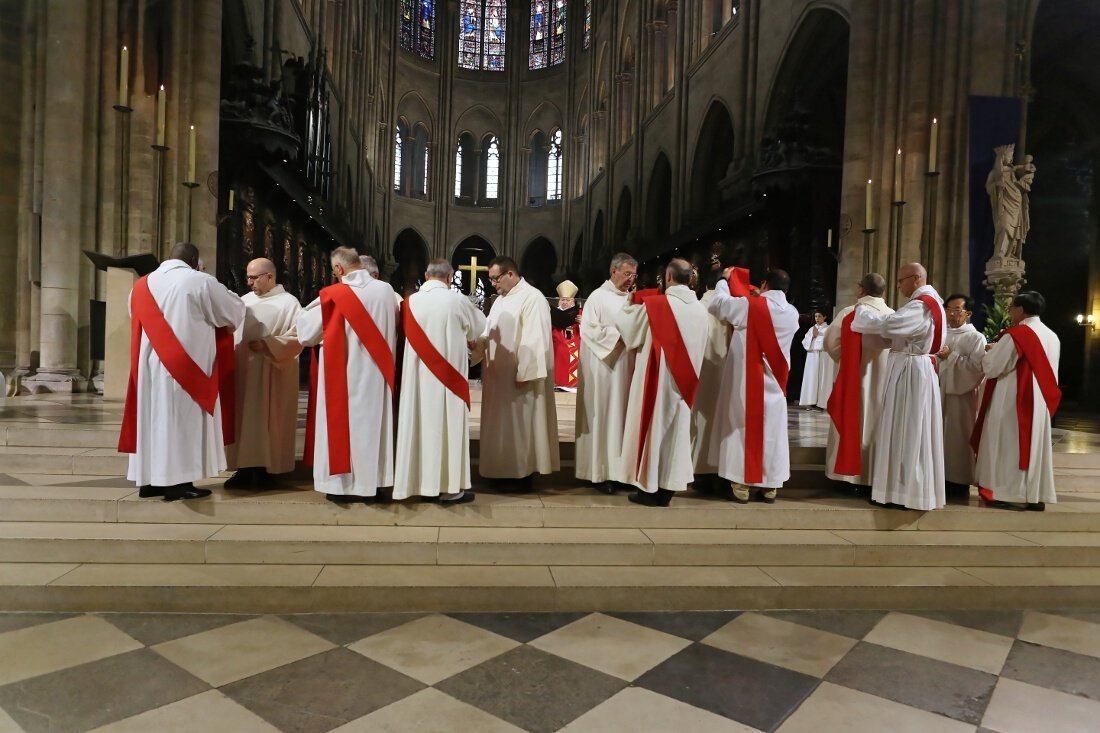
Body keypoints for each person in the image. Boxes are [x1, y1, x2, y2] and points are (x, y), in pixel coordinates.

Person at [119, 242, 245, 501]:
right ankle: (177, 483)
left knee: (153, 422)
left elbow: (134, 315)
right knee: (179, 423)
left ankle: (150, 481)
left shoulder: (141, 285)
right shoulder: (199, 280)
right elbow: (232, 311)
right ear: (195, 260)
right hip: (186, 366)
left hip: (149, 368)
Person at [297, 246, 399, 503]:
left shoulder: (332, 295)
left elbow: (306, 334)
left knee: (341, 429)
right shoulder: (386, 291)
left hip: (341, 375)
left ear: (339, 269)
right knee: (373, 429)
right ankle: (372, 486)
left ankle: (340, 488)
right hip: (377, 375)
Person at [851, 262, 946, 510]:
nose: (898, 285)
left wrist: (862, 314)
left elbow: (891, 325)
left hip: (911, 372)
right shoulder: (932, 302)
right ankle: (900, 490)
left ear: (915, 278)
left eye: (901, 280)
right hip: (915, 369)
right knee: (909, 428)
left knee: (907, 428)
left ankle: (904, 493)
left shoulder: (922, 305)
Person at [616, 259, 708, 507]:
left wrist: (629, 304)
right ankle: (668, 488)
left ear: (668, 277)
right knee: (676, 433)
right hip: (685, 383)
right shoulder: (701, 310)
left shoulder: (657, 305)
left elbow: (629, 331)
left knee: (652, 429)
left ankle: (648, 489)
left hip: (657, 380)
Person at [393, 259, 486, 504]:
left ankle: (419, 485)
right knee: (448, 429)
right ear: (449, 277)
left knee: (418, 427)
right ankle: (451, 488)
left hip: (416, 382)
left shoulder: (409, 302)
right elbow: (478, 328)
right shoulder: (457, 300)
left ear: (425, 275)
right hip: (448, 380)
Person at [707, 268, 800, 503]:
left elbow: (718, 304)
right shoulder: (792, 313)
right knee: (772, 433)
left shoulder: (750, 306)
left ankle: (741, 482)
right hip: (776, 383)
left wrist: (723, 281)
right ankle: (769, 485)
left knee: (743, 428)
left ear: (765, 284)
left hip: (748, 382)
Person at [473, 256, 560, 490]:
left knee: (520, 428)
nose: (493, 283)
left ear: (510, 274)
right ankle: (498, 472)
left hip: (519, 381)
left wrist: (526, 373)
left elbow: (535, 338)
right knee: (500, 428)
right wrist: (479, 343)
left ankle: (520, 476)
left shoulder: (532, 297)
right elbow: (489, 329)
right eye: (490, 279)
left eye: (495, 278)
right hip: (497, 382)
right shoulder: (501, 300)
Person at [973, 290, 1061, 511]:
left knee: (1006, 446)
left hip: (1014, 400)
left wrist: (991, 351)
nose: (1010, 312)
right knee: (1034, 448)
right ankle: (1034, 495)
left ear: (1021, 310)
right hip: (1039, 401)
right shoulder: (1052, 336)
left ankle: (1003, 492)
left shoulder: (1017, 334)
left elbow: (993, 367)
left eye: (1012, 307)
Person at [225, 258, 304, 489]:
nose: (249, 282)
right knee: (244, 421)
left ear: (270, 276)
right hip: (244, 373)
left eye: (254, 277)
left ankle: (265, 470)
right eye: (247, 277)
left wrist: (270, 344)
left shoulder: (289, 304)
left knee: (267, 421)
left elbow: (299, 337)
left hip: (272, 373)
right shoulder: (243, 302)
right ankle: (243, 469)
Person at [823, 273, 893, 490]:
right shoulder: (892, 315)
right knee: (876, 424)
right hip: (884, 381)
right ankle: (871, 478)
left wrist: (848, 359)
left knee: (851, 419)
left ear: (861, 290)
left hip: (853, 378)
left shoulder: (850, 314)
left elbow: (830, 343)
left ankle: (846, 479)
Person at [575, 253, 638, 494]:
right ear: (613, 272)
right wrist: (618, 336)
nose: (630, 280)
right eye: (626, 274)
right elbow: (589, 329)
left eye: (633, 275)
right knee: (603, 417)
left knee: (623, 418)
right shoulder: (597, 298)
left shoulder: (634, 300)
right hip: (603, 370)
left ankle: (622, 472)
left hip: (627, 370)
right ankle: (600, 473)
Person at [936, 294, 987, 497]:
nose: (951, 314)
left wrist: (952, 357)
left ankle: (958, 482)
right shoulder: (939, 333)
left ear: (968, 313)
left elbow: (977, 368)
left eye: (957, 310)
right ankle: (937, 476)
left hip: (961, 398)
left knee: (957, 437)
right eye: (948, 309)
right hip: (937, 392)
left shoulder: (975, 338)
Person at [691, 263, 731, 493]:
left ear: (705, 284)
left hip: (701, 371)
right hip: (730, 374)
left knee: (701, 422)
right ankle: (723, 473)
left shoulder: (696, 307)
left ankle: (700, 472)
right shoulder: (737, 308)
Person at [551, 280, 582, 392]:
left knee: (576, 349)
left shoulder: (580, 313)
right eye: (562, 300)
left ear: (573, 301)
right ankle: (559, 383)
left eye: (567, 300)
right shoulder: (553, 313)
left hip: (577, 339)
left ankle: (574, 385)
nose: (564, 302)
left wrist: (583, 323)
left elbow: (590, 330)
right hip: (558, 339)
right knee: (561, 349)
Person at [799, 309, 831, 409]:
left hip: (823, 357)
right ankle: (810, 401)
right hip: (812, 357)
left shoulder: (828, 329)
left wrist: (818, 337)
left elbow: (829, 342)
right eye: (816, 316)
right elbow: (805, 342)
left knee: (822, 378)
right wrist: (813, 337)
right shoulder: (811, 329)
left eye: (819, 316)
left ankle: (821, 403)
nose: (817, 318)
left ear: (825, 317)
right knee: (811, 377)